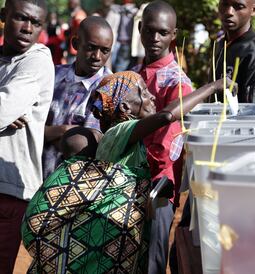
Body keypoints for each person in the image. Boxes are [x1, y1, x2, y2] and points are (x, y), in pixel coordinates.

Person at [21, 71, 234, 274]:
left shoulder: (128, 142)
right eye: (142, 92)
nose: (151, 96)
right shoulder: (117, 133)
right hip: (106, 237)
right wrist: (213, 86)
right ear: (124, 107)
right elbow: (167, 116)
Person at [132, 1, 193, 272]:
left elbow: (167, 145)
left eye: (163, 32)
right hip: (127, 181)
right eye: (150, 31)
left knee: (152, 263)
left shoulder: (178, 83)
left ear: (174, 35)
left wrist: (154, 187)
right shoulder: (134, 74)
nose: (155, 39)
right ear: (139, 29)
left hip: (158, 188)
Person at [0, 0, 54, 272]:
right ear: (3, 16)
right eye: (21, 18)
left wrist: (6, 111)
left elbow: (3, 109)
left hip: (8, 189)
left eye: (36, 23)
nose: (28, 28)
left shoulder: (36, 61)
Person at [42, 16, 113, 180]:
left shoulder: (108, 88)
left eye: (105, 50)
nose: (97, 56)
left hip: (70, 182)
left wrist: (43, 132)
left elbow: (84, 145)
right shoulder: (53, 74)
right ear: (75, 44)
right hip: (35, 173)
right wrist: (61, 130)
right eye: (91, 48)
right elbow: (26, 125)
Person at [214, 0, 255, 103]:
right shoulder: (222, 44)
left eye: (238, 6)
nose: (229, 11)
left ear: (254, 10)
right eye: (225, 4)